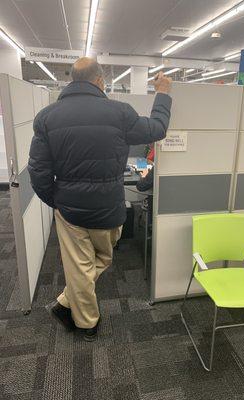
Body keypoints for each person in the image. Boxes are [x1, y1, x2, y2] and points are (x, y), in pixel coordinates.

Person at [28, 57, 172, 341]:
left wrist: (55, 200)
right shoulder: (120, 112)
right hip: (109, 206)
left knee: (81, 266)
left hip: (69, 209)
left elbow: (38, 170)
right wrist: (164, 94)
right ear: (100, 81)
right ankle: (87, 323)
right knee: (104, 257)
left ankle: (68, 301)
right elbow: (157, 130)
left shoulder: (46, 117)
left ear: (71, 80)